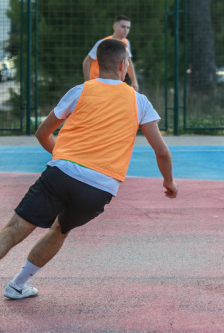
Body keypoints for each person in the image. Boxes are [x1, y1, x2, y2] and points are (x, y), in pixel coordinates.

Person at [1, 39, 177, 300]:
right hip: (99, 187)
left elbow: (42, 133)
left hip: (61, 174)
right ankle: (17, 285)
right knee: (60, 230)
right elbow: (161, 150)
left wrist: (64, 157)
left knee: (16, 228)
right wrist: (169, 183)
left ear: (98, 63)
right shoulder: (139, 102)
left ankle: (18, 285)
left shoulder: (79, 91)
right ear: (122, 65)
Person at [83, 15, 139, 91]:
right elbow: (87, 62)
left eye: (128, 27)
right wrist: (87, 82)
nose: (126, 30)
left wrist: (134, 81)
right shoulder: (103, 43)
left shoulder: (126, 43)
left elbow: (128, 62)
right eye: (123, 27)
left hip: (114, 84)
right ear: (115, 26)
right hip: (97, 83)